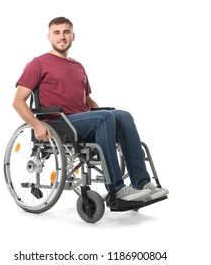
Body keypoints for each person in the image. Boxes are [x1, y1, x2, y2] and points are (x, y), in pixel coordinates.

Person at [13, 16, 169, 202]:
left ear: (73, 36)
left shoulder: (78, 66)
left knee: (123, 116)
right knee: (105, 118)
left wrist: (109, 116)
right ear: (49, 37)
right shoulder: (38, 63)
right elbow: (18, 101)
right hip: (58, 122)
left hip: (82, 120)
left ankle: (142, 183)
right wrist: (36, 125)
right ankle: (117, 191)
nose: (62, 37)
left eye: (66, 32)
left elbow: (87, 100)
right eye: (57, 33)